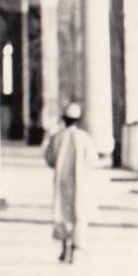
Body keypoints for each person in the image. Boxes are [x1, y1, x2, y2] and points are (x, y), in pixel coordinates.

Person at [43, 101, 101, 264]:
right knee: (79, 214)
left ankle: (64, 249)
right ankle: (75, 251)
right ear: (78, 120)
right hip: (81, 183)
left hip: (62, 182)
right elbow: (93, 160)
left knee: (62, 213)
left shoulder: (57, 137)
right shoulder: (84, 137)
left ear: (64, 119)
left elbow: (49, 159)